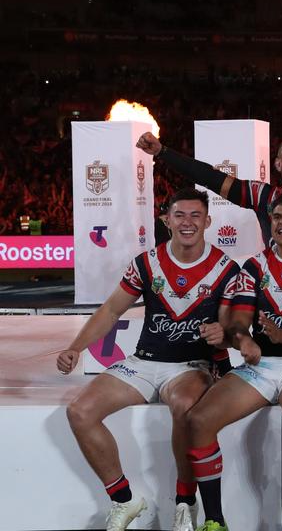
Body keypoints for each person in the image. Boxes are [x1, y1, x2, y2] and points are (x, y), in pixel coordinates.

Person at [57, 188, 237, 531]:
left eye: (195, 216)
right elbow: (111, 310)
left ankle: (185, 502)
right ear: (166, 220)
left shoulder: (226, 269)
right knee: (80, 411)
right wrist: (75, 347)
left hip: (192, 366)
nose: (187, 222)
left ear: (208, 221)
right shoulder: (147, 262)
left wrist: (225, 334)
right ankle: (123, 500)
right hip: (144, 360)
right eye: (179, 215)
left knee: (185, 406)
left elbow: (233, 327)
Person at [185, 192, 282, 531]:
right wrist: (243, 340)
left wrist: (280, 337)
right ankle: (214, 520)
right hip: (263, 364)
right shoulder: (254, 266)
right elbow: (240, 322)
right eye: (276, 218)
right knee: (198, 420)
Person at [137, 132, 282, 259]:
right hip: (277, 289)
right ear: (277, 163)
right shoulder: (263, 195)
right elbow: (210, 177)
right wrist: (162, 152)